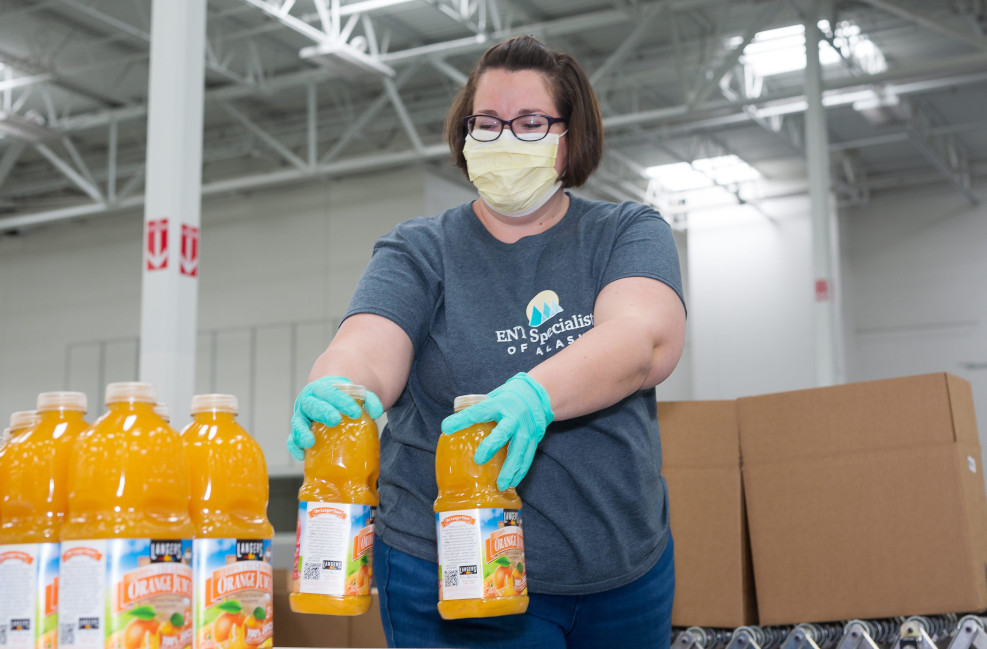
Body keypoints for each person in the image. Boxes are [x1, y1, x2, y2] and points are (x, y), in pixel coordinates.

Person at [288, 34, 687, 649]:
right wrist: (337, 382)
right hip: (455, 571)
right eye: (487, 123)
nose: (505, 139)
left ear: (568, 135)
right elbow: (368, 345)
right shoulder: (421, 249)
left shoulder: (625, 232)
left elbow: (644, 340)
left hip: (621, 574)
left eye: (530, 122)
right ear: (464, 135)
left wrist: (535, 396)